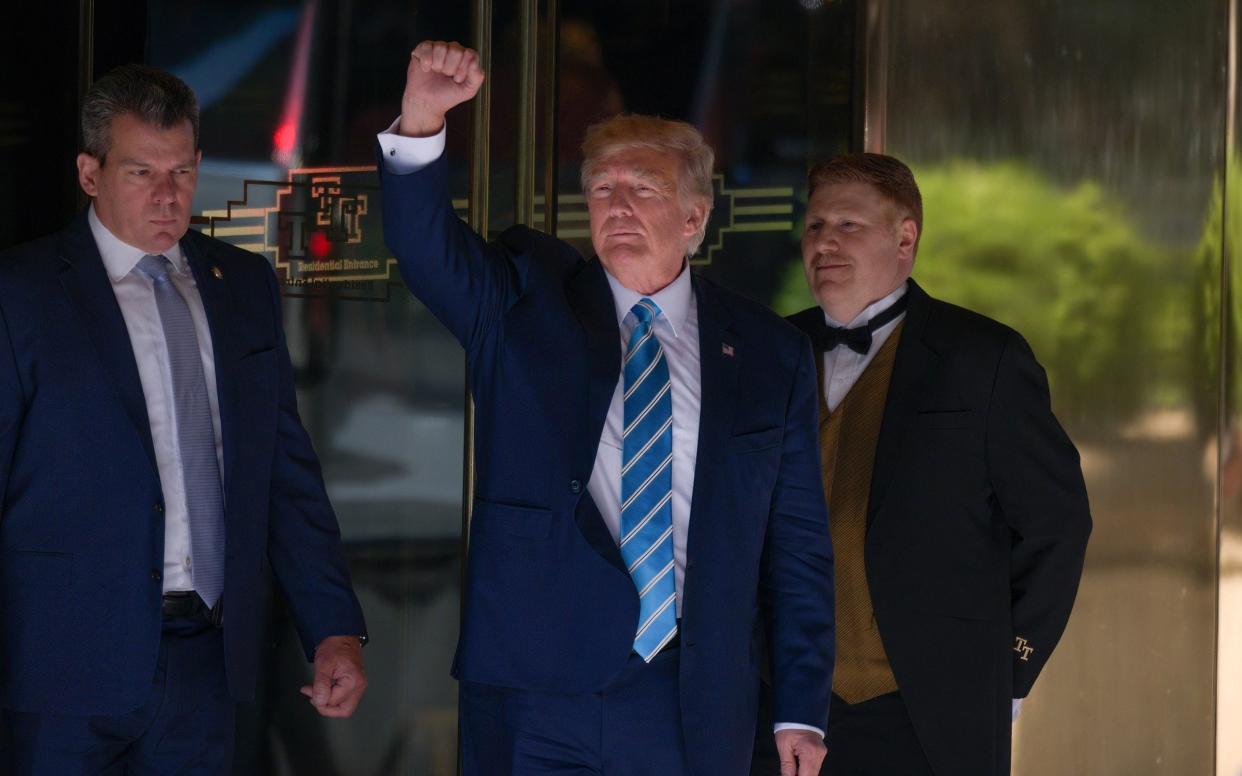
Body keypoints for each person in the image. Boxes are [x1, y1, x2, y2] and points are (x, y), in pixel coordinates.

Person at [377, 41, 835, 776]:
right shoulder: (525, 304)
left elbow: (798, 547)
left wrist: (801, 706)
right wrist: (423, 118)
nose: (617, 205)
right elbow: (426, 249)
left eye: (643, 189)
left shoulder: (768, 353)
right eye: (600, 189)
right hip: (538, 688)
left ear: (694, 216)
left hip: (689, 693)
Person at [0, 65, 368, 773]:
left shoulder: (243, 285)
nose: (167, 196)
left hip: (206, 665)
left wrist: (334, 629)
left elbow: (284, 476)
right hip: (59, 675)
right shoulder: (23, 296)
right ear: (89, 173)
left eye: (182, 171)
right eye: (141, 172)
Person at [754, 153, 1092, 775]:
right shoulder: (769, 351)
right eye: (815, 226)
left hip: (932, 712)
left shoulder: (984, 358)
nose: (824, 241)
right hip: (782, 713)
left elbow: (1057, 523)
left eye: (848, 225)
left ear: (905, 237)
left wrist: (1007, 671)